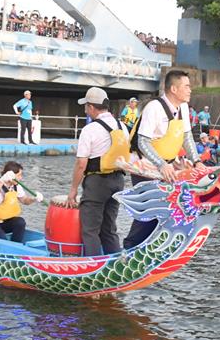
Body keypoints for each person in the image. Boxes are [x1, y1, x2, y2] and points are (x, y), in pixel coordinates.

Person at [123, 70, 203, 249]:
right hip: (145, 166)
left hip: (166, 167)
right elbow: (143, 141)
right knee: (147, 213)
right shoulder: (154, 108)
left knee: (165, 211)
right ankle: (129, 249)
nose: (190, 90)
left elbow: (187, 136)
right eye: (187, 86)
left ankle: (149, 248)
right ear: (174, 89)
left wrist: (197, 161)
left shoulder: (182, 108)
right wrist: (161, 164)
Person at [67, 87, 129, 256]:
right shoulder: (122, 126)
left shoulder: (90, 129)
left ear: (91, 107)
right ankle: (115, 265)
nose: (86, 110)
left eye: (86, 106)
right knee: (109, 229)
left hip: (97, 184)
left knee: (90, 230)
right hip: (118, 181)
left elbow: (81, 163)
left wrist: (73, 191)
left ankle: (93, 269)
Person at [0, 161, 37, 242]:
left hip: (6, 221)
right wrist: (2, 181)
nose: (21, 178)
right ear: (11, 175)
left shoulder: (16, 186)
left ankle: (17, 245)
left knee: (20, 222)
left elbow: (25, 200)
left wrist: (34, 199)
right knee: (1, 240)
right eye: (19, 175)